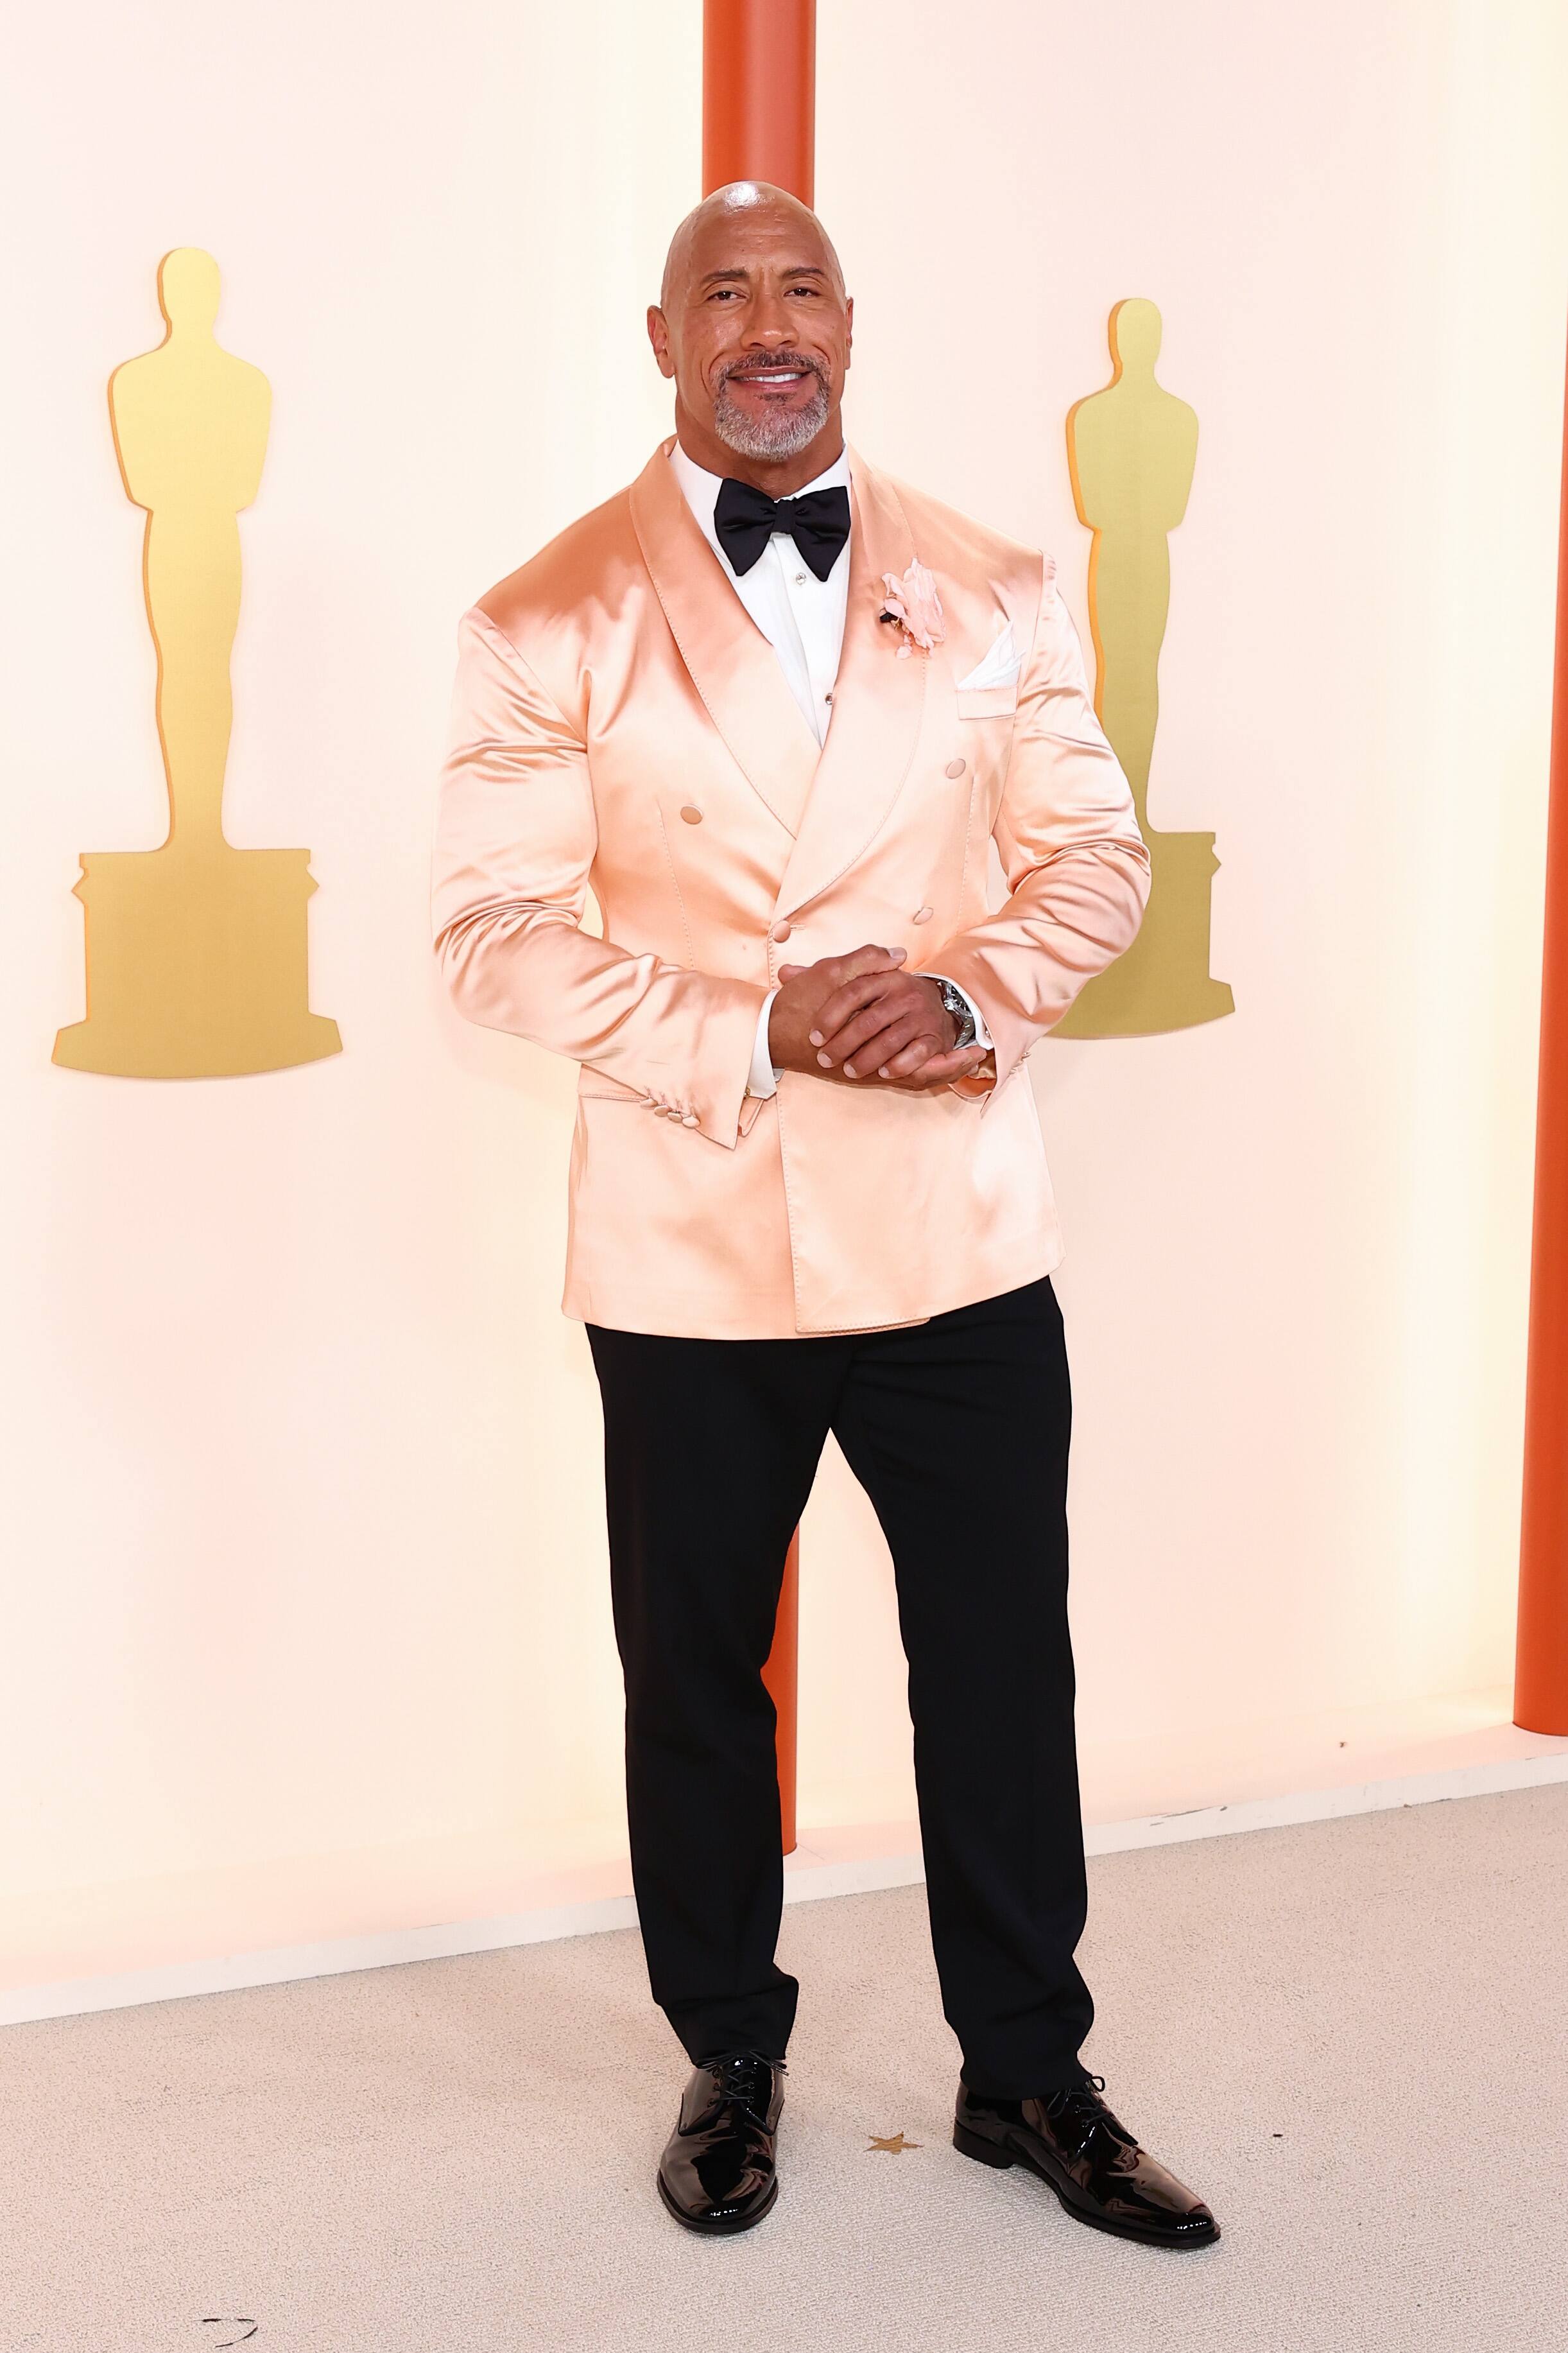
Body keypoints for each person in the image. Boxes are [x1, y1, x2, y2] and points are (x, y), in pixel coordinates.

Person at [431, 180, 1218, 2250]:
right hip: (687, 1237)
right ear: (662, 337)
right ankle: (726, 2049)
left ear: (850, 325)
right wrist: (752, 1021)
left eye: (802, 291)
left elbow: (1092, 859)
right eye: (725, 295)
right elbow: (490, 934)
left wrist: (963, 994)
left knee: (1000, 1666)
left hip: (952, 1225)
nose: (766, 327)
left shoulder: (996, 578)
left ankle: (1026, 2069)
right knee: (696, 1678)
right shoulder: (543, 613)